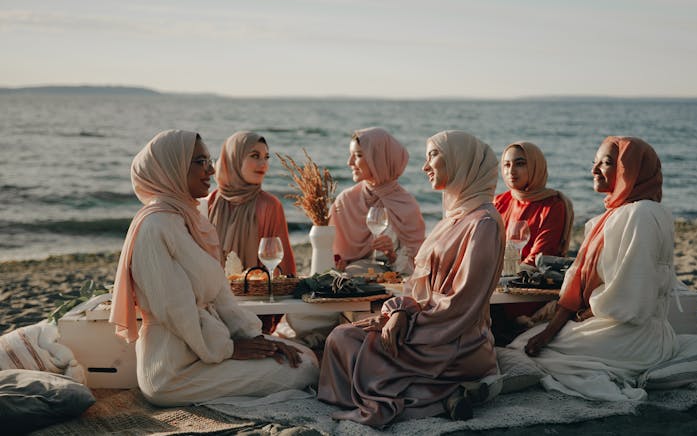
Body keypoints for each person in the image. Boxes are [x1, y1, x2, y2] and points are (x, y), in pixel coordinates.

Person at [109, 130, 318, 407]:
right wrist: (231, 348)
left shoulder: (188, 219)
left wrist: (257, 338)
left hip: (209, 352)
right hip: (173, 372)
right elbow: (176, 310)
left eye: (209, 160)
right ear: (172, 168)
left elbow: (220, 295)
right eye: (199, 162)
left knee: (304, 357)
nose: (210, 169)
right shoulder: (155, 227)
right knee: (304, 369)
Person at [317, 130, 504, 426]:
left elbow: (462, 304)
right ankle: (442, 394)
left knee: (348, 342)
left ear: (460, 160)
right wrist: (400, 310)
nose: (424, 166)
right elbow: (421, 284)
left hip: (453, 338)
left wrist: (406, 318)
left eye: (433, 155)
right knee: (342, 339)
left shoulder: (483, 224)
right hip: (428, 321)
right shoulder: (454, 217)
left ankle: (436, 391)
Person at [509, 136, 679, 401]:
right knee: (526, 344)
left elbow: (633, 296)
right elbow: (577, 279)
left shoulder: (643, 214)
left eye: (606, 163)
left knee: (519, 351)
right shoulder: (610, 216)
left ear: (631, 170)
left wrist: (588, 312)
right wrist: (549, 332)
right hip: (606, 320)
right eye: (594, 162)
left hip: (631, 333)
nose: (594, 170)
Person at [330, 127, 426, 274]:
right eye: (351, 155)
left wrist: (391, 254)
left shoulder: (407, 206)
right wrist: (338, 265)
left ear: (378, 159)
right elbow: (331, 255)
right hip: (349, 286)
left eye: (358, 155)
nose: (349, 162)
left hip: (393, 286)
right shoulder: (345, 201)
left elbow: (417, 269)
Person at [206, 131, 295, 276]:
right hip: (213, 293)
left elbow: (282, 269)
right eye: (255, 156)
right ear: (233, 159)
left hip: (257, 294)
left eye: (266, 158)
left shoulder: (270, 205)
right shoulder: (211, 201)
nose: (263, 164)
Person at [494, 141, 574, 267]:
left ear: (535, 166)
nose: (511, 171)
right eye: (507, 165)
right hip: (496, 275)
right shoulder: (500, 201)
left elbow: (539, 257)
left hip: (528, 278)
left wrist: (507, 275)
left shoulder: (553, 206)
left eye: (520, 164)